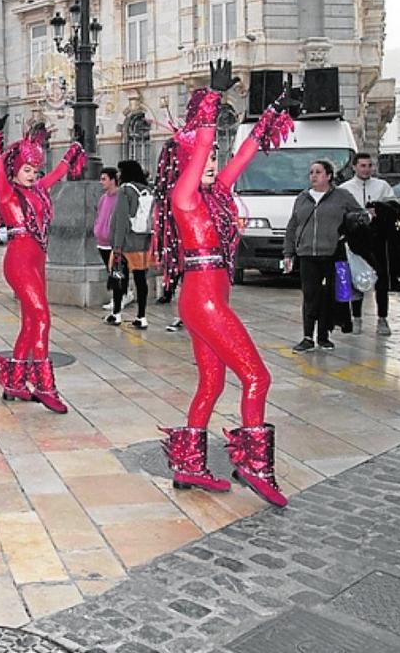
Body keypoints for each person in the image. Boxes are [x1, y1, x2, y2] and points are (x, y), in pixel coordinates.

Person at [154, 61, 294, 508]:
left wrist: (271, 114)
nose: (211, 163)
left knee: (211, 384)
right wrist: (210, 105)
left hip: (210, 299)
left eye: (213, 158)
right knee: (257, 376)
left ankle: (189, 464)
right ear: (187, 161)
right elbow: (200, 151)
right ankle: (253, 464)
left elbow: (245, 154)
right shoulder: (185, 196)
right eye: (203, 158)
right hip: (204, 301)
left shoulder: (216, 194)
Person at [0, 112, 86, 414]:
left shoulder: (38, 190)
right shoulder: (7, 193)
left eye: (35, 169)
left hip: (38, 260)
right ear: (16, 168)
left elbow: (57, 174)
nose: (31, 174)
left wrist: (73, 150)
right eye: (26, 169)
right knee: (42, 317)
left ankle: (15, 382)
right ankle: (44, 386)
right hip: (19, 261)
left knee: (31, 322)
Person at [283, 159, 364, 352]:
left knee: (329, 296)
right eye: (311, 172)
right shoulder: (302, 198)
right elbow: (293, 226)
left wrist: (354, 225)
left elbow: (359, 215)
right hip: (307, 254)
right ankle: (307, 336)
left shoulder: (342, 196)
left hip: (332, 253)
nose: (313, 176)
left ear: (328, 176)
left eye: (318, 172)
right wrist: (288, 253)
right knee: (310, 295)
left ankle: (324, 336)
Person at [339, 152, 394, 335]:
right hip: (355, 239)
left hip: (378, 238)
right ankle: (356, 318)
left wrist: (380, 210)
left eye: (369, 165)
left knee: (382, 279)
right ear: (354, 167)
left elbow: (394, 207)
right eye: (362, 166)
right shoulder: (345, 189)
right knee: (356, 277)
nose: (366, 169)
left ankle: (383, 318)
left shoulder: (382, 186)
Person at [110, 159, 153, 328]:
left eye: (120, 171)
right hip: (142, 242)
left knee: (120, 277)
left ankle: (117, 314)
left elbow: (121, 220)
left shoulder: (125, 190)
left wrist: (117, 245)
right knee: (141, 279)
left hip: (127, 242)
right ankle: (142, 316)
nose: (118, 175)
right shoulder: (147, 190)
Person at [94, 167, 120, 313]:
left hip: (113, 243)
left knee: (115, 273)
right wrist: (98, 228)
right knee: (110, 271)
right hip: (101, 242)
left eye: (104, 179)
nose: (101, 182)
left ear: (112, 180)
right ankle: (118, 298)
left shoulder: (120, 197)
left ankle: (117, 304)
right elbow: (99, 214)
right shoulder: (103, 197)